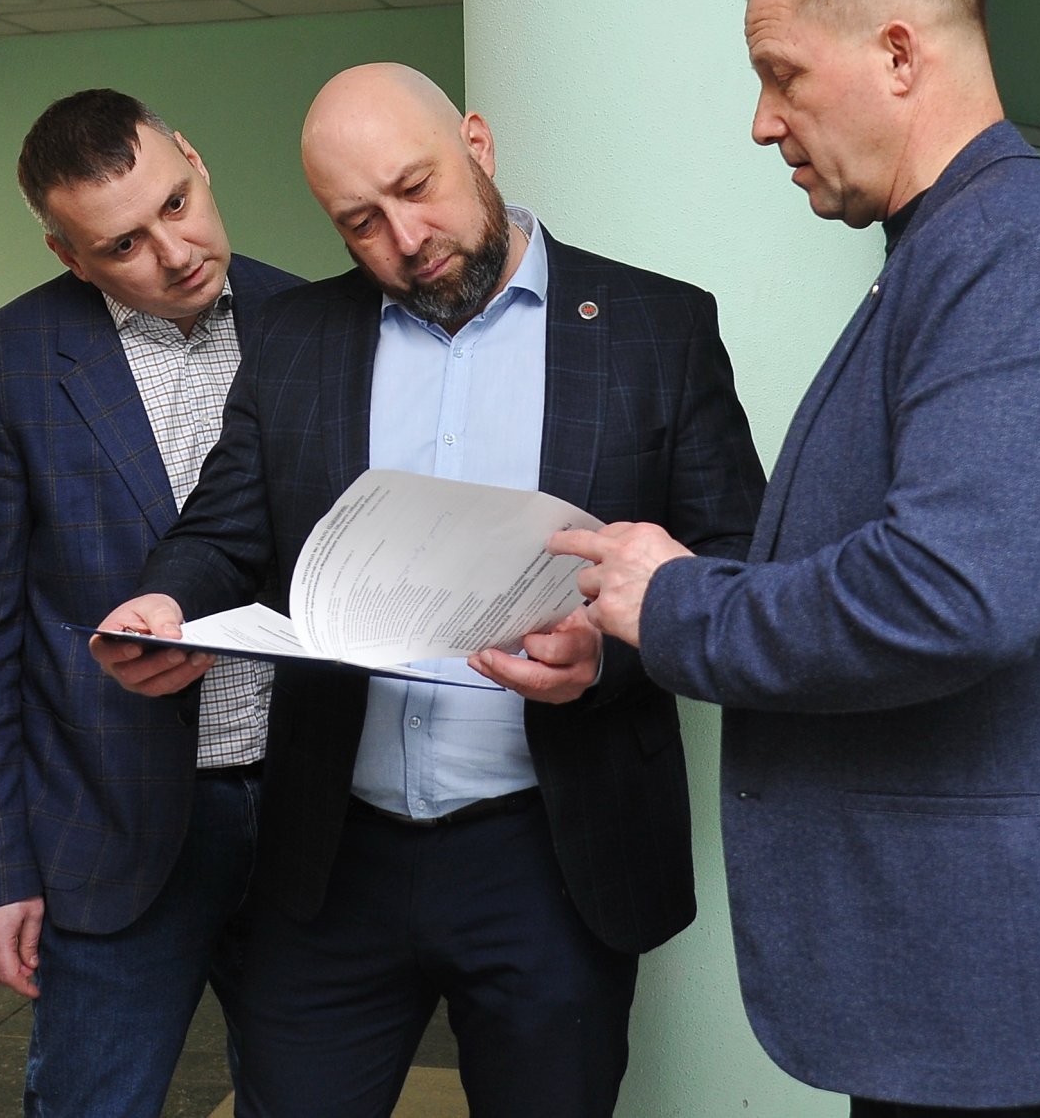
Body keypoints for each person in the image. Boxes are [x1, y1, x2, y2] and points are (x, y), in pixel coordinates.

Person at [551, 0, 1040, 1118]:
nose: (763, 121)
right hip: (983, 956)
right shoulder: (958, 247)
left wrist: (677, 602)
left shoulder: (1018, 256)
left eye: (782, 73)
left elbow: (950, 594)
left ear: (897, 52)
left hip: (1004, 955)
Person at [92, 62, 765, 1118]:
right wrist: (168, 603)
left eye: (418, 188)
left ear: (478, 146)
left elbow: (729, 565)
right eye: (360, 222)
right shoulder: (295, 335)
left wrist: (607, 655)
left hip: (553, 853)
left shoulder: (655, 326)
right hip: (334, 855)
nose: (404, 239)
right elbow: (225, 525)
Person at [0, 88, 301, 1116]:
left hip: (309, 818)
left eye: (176, 203)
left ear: (195, 159)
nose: (175, 252)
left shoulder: (318, 323)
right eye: (123, 244)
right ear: (69, 256)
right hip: (110, 823)